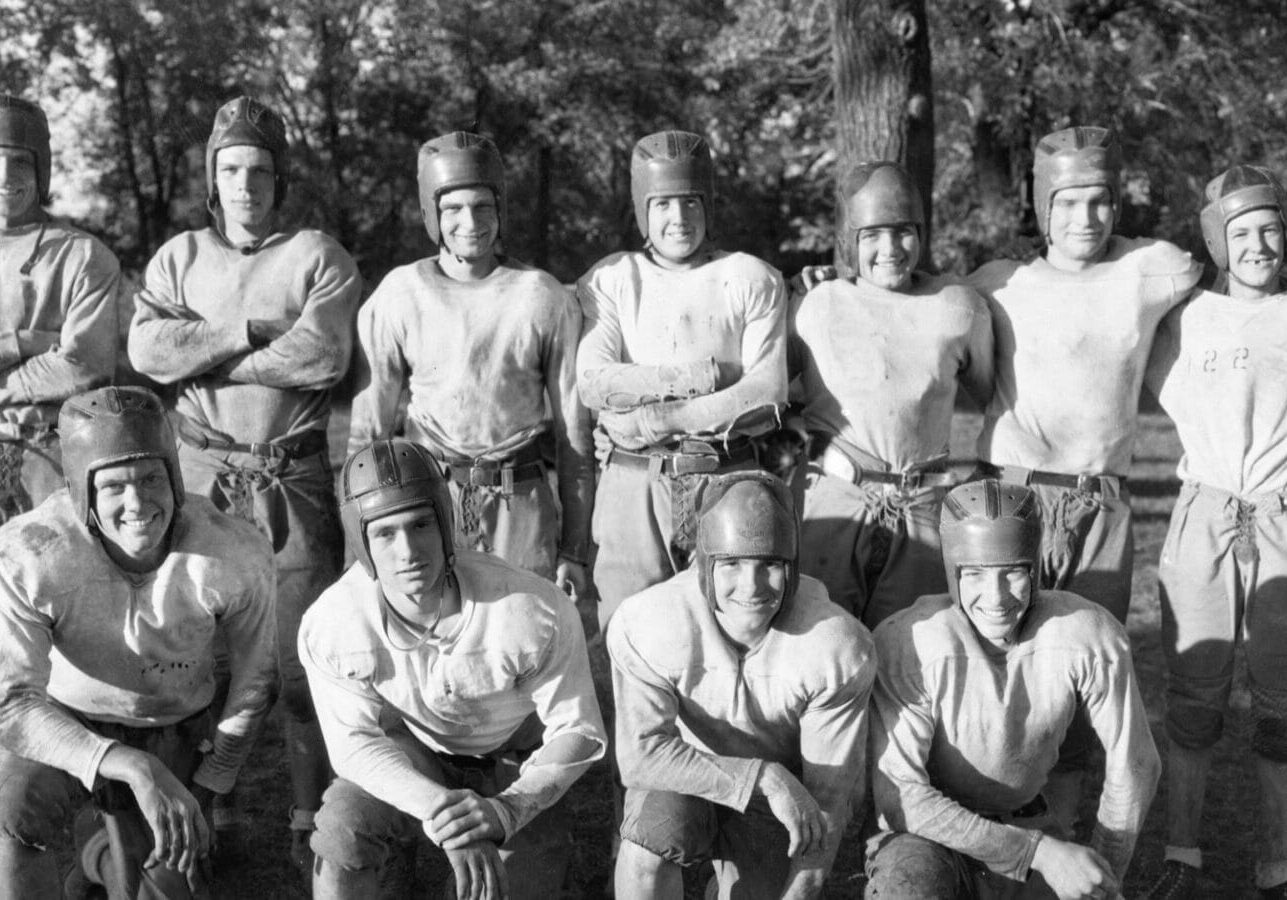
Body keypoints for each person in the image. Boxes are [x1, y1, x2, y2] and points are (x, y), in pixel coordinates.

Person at [127, 95, 362, 868]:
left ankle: (309, 822)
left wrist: (211, 358)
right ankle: (203, 815)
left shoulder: (317, 256)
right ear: (211, 177)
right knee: (195, 655)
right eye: (230, 169)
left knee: (300, 663)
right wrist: (247, 331)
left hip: (291, 479)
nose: (245, 184)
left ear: (279, 178)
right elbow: (148, 354)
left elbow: (320, 357)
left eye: (260, 170)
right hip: (200, 474)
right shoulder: (178, 258)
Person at [967, 125, 1199, 825]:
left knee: (1084, 662)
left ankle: (1062, 826)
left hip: (1102, 506)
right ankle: (980, 824)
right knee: (993, 660)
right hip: (1013, 495)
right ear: (1042, 208)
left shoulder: (1150, 272)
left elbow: (1205, 265)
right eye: (1066, 202)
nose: (1085, 218)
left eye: (1099, 201)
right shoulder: (999, 284)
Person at [0, 386, 276, 898]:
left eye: (152, 479)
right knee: (8, 813)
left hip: (174, 726)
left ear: (174, 478)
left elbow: (257, 678)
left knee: (163, 886)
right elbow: (10, 703)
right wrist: (126, 763)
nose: (137, 503)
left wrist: (212, 779)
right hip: (68, 717)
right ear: (82, 492)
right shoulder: (30, 554)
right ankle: (102, 845)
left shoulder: (234, 551)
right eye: (114, 487)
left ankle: (98, 856)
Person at [302, 439, 606, 900]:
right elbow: (354, 746)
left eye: (421, 524)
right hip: (415, 751)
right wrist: (444, 815)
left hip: (515, 763)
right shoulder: (333, 622)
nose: (408, 551)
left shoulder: (529, 608)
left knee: (502, 890)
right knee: (339, 841)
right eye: (384, 534)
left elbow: (579, 730)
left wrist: (506, 812)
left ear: (445, 522)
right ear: (360, 542)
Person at [866, 479, 1160, 900]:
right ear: (952, 573)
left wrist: (1102, 873)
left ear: (1035, 568)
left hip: (1027, 822)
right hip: (927, 836)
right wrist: (1039, 855)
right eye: (976, 575)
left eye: (1014, 573)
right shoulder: (909, 640)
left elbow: (1136, 765)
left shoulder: (1086, 632)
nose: (997, 596)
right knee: (908, 882)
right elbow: (903, 801)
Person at [347, 131, 594, 596]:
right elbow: (367, 438)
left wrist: (574, 550)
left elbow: (574, 438)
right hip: (430, 494)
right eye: (453, 209)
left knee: (522, 630)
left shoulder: (542, 295)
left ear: (501, 209)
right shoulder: (401, 294)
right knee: (433, 631)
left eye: (483, 206)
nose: (470, 222)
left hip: (519, 499)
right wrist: (361, 547)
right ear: (431, 214)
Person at [608, 471, 875, 899]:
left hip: (783, 800)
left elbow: (829, 797)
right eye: (731, 564)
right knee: (644, 858)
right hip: (688, 774)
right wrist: (762, 777)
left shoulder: (837, 645)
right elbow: (640, 758)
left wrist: (803, 886)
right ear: (703, 563)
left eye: (770, 564)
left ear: (793, 566)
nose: (751, 587)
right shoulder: (648, 621)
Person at [1141, 165, 1287, 899]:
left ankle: (1276, 862)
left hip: (1281, 515)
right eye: (1240, 233)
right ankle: (1181, 853)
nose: (1258, 244)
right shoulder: (1180, 317)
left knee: (1281, 699)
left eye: (1269, 228)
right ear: (1215, 241)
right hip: (1203, 512)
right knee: (1193, 693)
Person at [577, 130, 788, 627]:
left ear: (708, 205)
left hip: (725, 473)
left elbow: (766, 392)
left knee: (731, 621)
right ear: (641, 208)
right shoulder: (611, 279)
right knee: (630, 625)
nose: (679, 219)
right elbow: (593, 381)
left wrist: (657, 419)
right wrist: (706, 376)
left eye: (691, 202)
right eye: (664, 203)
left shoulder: (750, 277)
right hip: (634, 480)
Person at [790, 161, 992, 627]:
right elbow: (775, 392)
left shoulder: (957, 307)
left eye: (903, 231)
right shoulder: (818, 305)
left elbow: (993, 397)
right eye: (872, 235)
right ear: (848, 239)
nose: (890, 249)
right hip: (838, 502)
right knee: (823, 644)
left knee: (913, 654)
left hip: (923, 508)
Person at [0, 94, 119, 521]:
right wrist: (28, 342)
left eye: (19, 162)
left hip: (52, 457)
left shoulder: (84, 256)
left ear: (42, 168)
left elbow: (84, 367)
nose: (4, 175)